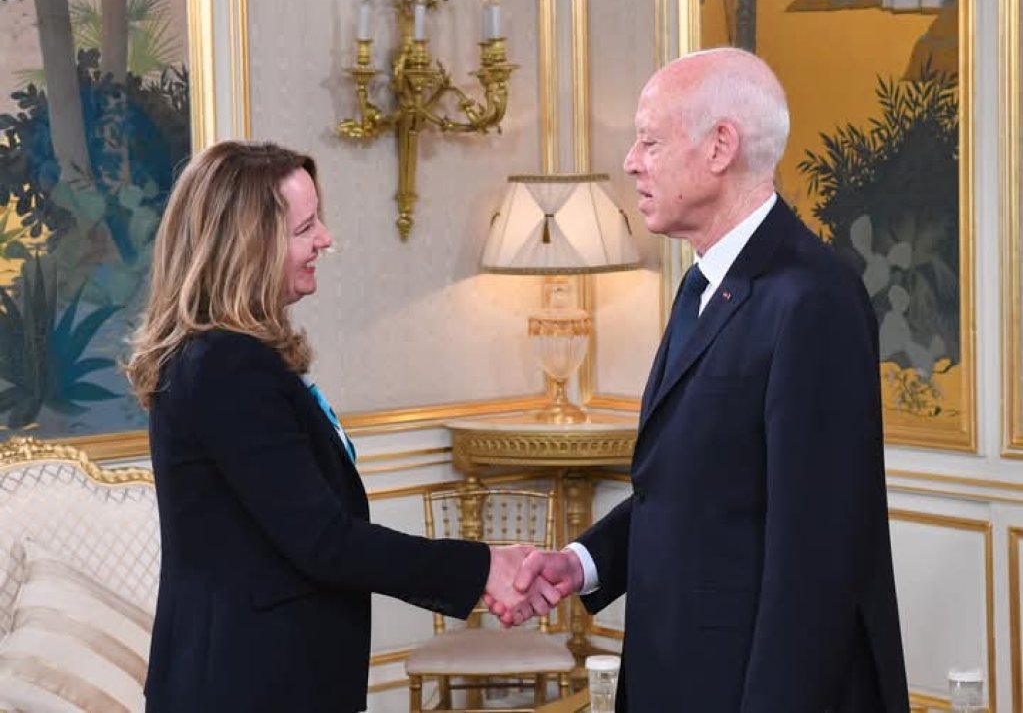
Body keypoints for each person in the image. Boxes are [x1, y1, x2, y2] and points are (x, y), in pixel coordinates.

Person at [503, 48, 910, 712]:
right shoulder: (702, 284)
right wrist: (581, 563)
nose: (631, 162)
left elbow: (815, 560)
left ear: (720, 146)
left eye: (650, 141)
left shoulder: (812, 300)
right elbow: (694, 490)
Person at [125, 141, 557, 713]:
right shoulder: (228, 365)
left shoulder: (224, 356)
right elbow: (324, 541)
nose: (325, 239)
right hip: (249, 686)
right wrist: (483, 568)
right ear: (249, 244)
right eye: (306, 228)